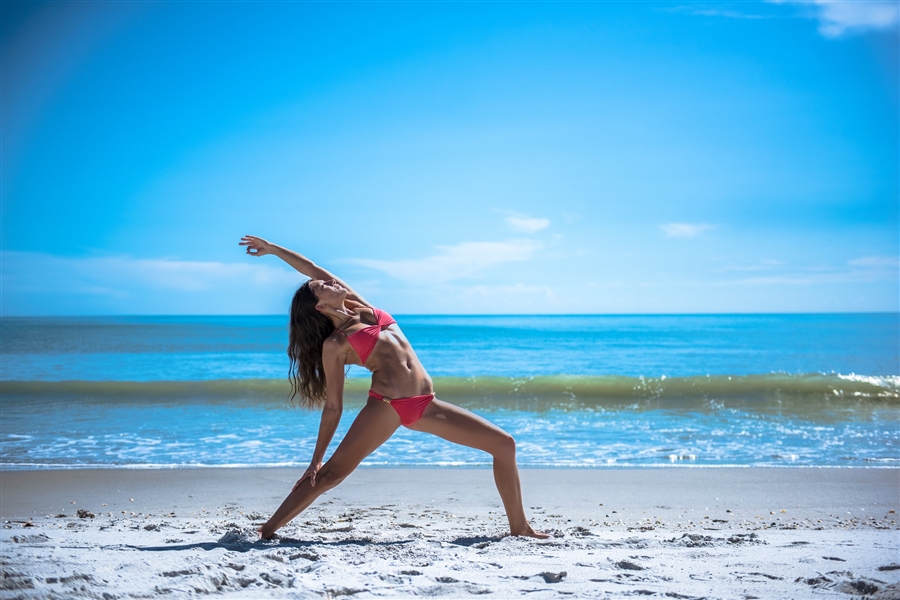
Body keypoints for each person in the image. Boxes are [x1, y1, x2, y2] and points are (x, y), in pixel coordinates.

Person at [240, 235, 547, 540]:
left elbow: (311, 267)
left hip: (426, 404)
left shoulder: (361, 307)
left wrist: (273, 249)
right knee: (330, 475)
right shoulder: (335, 345)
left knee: (504, 445)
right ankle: (268, 529)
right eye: (323, 286)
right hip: (387, 407)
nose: (332, 282)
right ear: (320, 306)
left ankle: (519, 527)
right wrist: (315, 459)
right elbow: (334, 406)